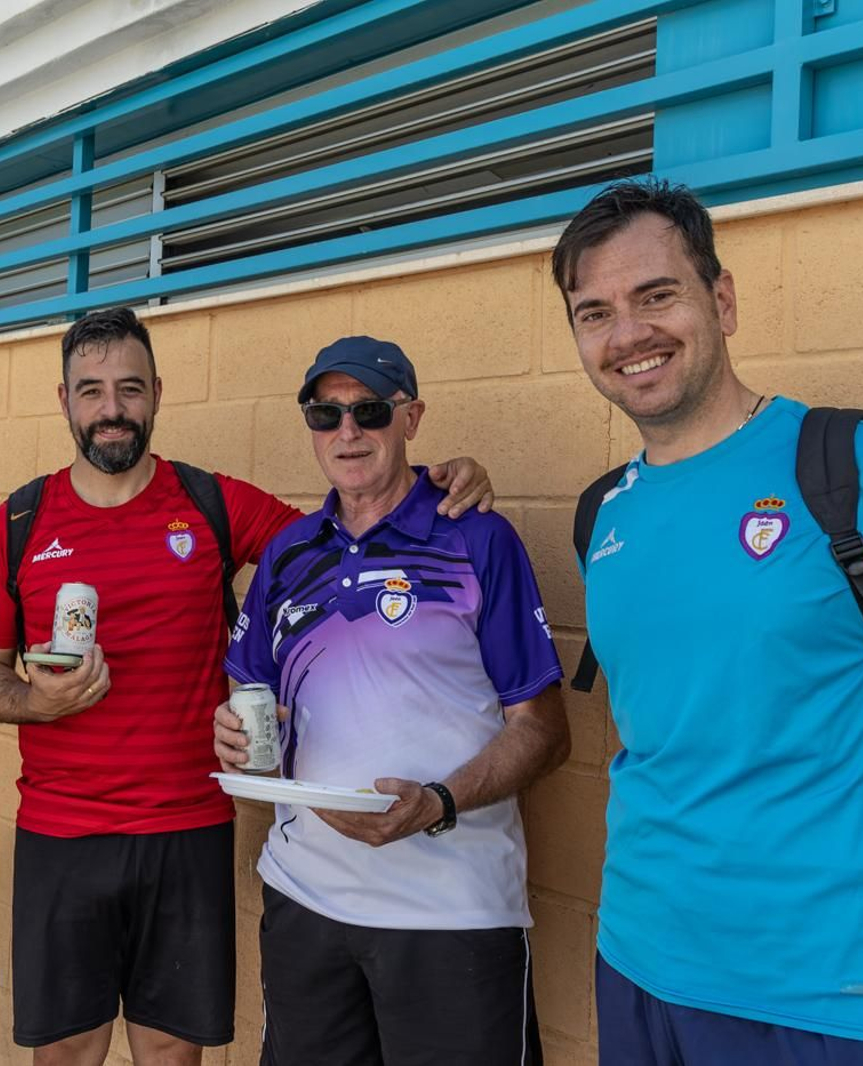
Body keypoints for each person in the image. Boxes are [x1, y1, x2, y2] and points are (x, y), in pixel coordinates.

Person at [0, 307, 497, 1066]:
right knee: (66, 1053)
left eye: (129, 389)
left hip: (188, 827)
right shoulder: (20, 521)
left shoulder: (211, 504)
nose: (112, 409)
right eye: (91, 391)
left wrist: (435, 485)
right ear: (64, 401)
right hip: (61, 831)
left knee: (173, 1052)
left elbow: (347, 539)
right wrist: (34, 702)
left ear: (157, 394)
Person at [554, 177, 863, 1063]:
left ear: (723, 300)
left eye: (656, 295)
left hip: (839, 994)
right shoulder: (602, 515)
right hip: (639, 961)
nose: (627, 334)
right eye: (595, 313)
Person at [213, 336, 569, 1065]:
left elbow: (544, 730)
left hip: (451, 915)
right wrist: (239, 740)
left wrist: (439, 801)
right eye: (325, 414)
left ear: (412, 417)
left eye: (369, 410)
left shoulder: (478, 538)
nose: (347, 431)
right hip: (304, 900)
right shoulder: (289, 552)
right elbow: (250, 697)